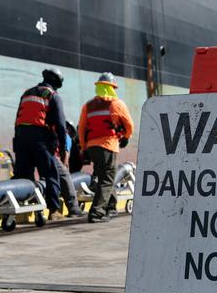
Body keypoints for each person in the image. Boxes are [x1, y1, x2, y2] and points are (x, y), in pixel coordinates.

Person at [78, 72, 134, 223]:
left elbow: (82, 128)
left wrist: (83, 147)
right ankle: (96, 213)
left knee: (104, 176)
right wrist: (126, 137)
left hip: (92, 147)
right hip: (109, 145)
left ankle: (111, 207)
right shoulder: (117, 104)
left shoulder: (87, 106)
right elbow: (129, 125)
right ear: (113, 88)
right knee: (107, 179)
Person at [13, 68, 69, 220]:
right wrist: (63, 149)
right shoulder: (52, 95)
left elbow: (19, 116)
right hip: (40, 139)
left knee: (23, 175)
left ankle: (24, 209)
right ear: (57, 83)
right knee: (50, 173)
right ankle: (54, 211)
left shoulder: (27, 93)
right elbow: (60, 125)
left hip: (21, 137)